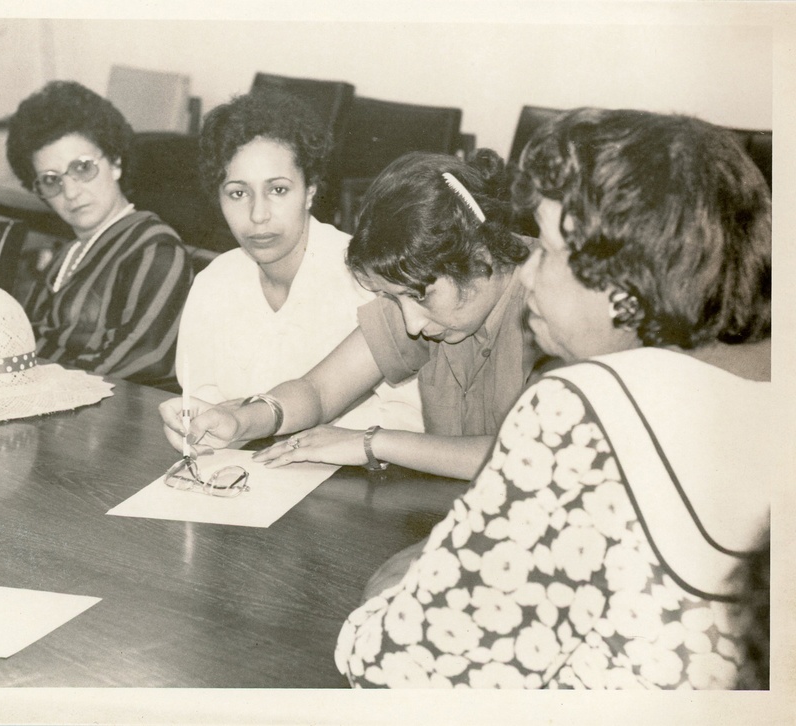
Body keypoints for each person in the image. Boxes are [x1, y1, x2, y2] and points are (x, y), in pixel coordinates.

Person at [333, 108, 773, 689]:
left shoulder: (584, 405)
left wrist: (402, 583)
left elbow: (392, 661)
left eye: (544, 248)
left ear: (623, 283)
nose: (528, 274)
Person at [161, 148, 537, 480]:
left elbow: (532, 455)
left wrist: (371, 442)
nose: (411, 324)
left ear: (480, 256)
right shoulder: (420, 288)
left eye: (421, 298)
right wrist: (242, 419)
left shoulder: (552, 302)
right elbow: (319, 390)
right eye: (396, 300)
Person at [177, 90, 422, 431]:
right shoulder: (213, 284)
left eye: (278, 190)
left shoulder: (370, 284)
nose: (258, 214)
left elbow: (408, 418)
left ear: (310, 191)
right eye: (238, 193)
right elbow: (201, 402)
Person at [7, 81, 192, 388]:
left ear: (116, 163)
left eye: (82, 168)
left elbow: (140, 359)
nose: (70, 191)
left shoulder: (155, 250)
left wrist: (38, 393)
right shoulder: (65, 257)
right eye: (51, 180)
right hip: (52, 411)